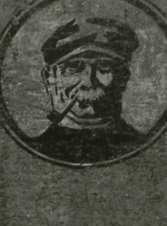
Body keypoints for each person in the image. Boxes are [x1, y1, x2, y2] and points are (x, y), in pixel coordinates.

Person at [33, 17, 146, 163]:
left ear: (123, 77)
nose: (89, 82)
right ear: (49, 77)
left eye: (104, 66)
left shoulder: (142, 148)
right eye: (74, 66)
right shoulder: (36, 150)